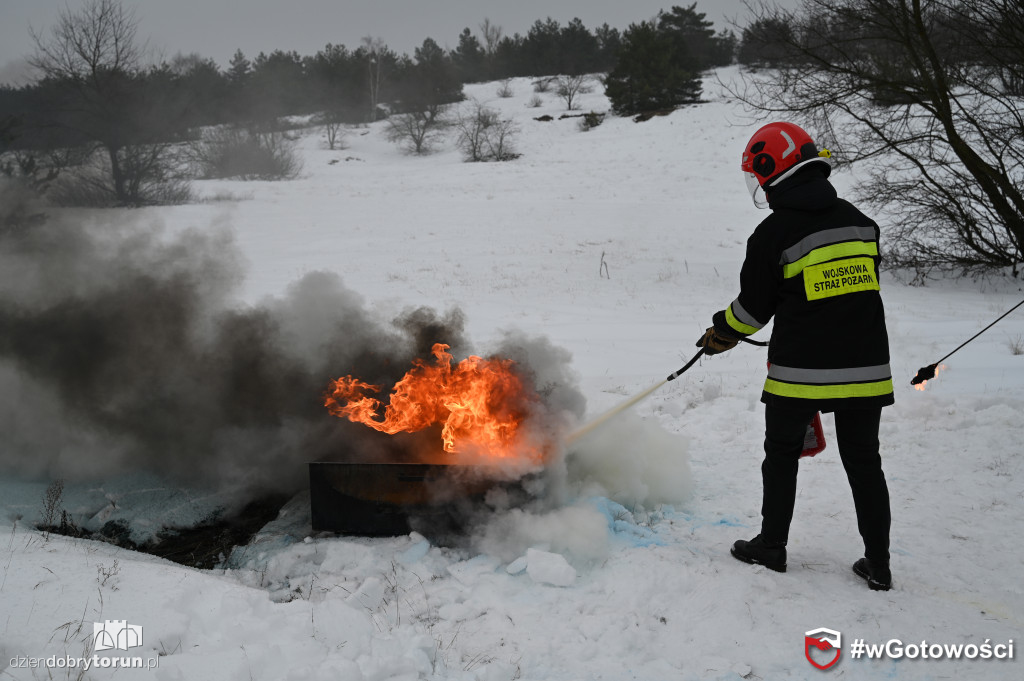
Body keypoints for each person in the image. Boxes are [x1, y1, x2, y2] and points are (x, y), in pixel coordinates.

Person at [696, 121, 895, 591]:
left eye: (759, 174)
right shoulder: (861, 222)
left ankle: (771, 547)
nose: (759, 185)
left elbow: (753, 309)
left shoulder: (772, 234)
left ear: (772, 168)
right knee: (865, 461)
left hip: (800, 371)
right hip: (867, 366)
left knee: (781, 454)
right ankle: (880, 564)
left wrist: (720, 333)